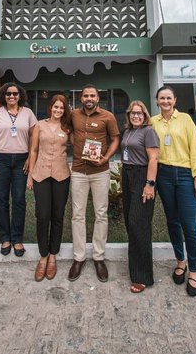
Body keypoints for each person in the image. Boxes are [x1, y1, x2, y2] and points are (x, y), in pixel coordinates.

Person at [151, 85, 196, 297]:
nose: (165, 101)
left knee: (189, 224)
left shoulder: (185, 120)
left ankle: (194, 271)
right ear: (157, 101)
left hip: (185, 175)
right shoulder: (153, 122)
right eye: (161, 98)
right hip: (163, 175)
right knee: (172, 221)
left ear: (174, 100)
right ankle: (180, 261)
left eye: (168, 98)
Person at [68, 84, 120, 282]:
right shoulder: (73, 115)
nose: (89, 98)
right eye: (86, 95)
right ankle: (79, 258)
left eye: (93, 95)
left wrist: (105, 157)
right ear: (81, 98)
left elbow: (115, 139)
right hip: (79, 171)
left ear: (98, 98)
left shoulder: (108, 116)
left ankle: (99, 257)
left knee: (101, 214)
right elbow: (68, 131)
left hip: (100, 172)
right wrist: (76, 143)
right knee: (77, 215)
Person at [0, 83, 37, 257]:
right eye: (8, 94)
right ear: (3, 96)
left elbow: (33, 138)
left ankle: (17, 239)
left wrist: (31, 158)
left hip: (21, 160)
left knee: (19, 200)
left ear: (20, 95)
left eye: (15, 93)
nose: (12, 96)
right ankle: (5, 238)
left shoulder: (28, 113)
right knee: (1, 200)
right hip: (1, 159)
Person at [27, 94, 73, 281]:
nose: (58, 110)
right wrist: (30, 174)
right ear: (51, 108)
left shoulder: (68, 128)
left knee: (58, 215)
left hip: (62, 175)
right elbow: (34, 150)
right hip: (41, 174)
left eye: (62, 108)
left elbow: (77, 147)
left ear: (65, 110)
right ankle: (43, 255)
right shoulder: (39, 125)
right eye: (56, 107)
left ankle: (53, 254)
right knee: (43, 215)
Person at [120, 100, 159, 294]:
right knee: (130, 222)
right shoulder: (128, 132)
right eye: (133, 113)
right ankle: (135, 268)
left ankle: (143, 276)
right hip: (127, 175)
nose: (136, 116)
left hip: (142, 176)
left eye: (139, 113)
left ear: (144, 115)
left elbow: (153, 158)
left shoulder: (148, 131)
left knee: (139, 224)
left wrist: (149, 184)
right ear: (128, 115)